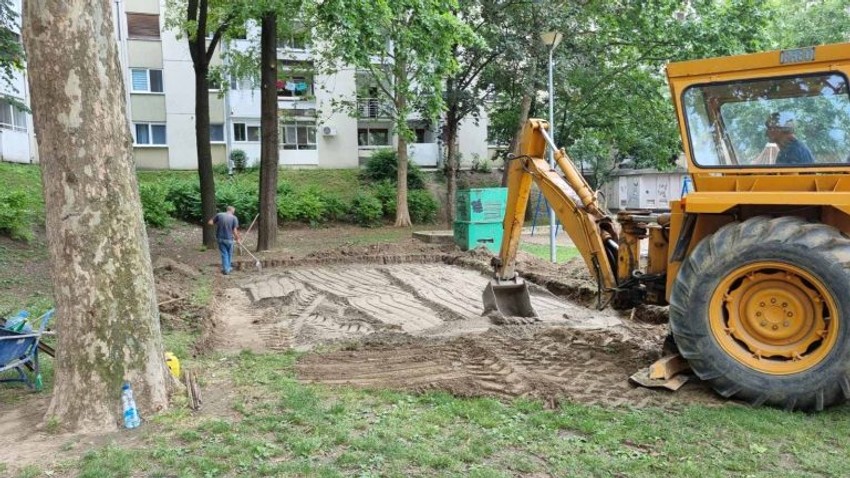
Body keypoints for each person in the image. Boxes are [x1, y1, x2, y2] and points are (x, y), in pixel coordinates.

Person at [208, 206, 241, 275]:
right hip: (229, 238)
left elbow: (210, 222)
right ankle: (226, 269)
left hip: (219, 238)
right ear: (232, 211)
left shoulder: (219, 215)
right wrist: (238, 239)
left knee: (224, 253)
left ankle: (227, 267)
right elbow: (234, 230)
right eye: (234, 211)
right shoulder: (234, 218)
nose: (234, 212)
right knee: (229, 253)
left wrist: (218, 223)